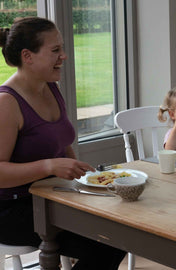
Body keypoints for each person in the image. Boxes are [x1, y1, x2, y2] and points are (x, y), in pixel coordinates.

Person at [0, 17, 126, 269]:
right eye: (55, 50)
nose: (64, 56)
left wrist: (83, 177)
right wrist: (49, 166)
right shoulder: (6, 103)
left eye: (62, 48)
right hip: (12, 209)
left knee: (123, 227)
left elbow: (62, 144)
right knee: (106, 241)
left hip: (52, 197)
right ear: (28, 56)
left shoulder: (51, 88)